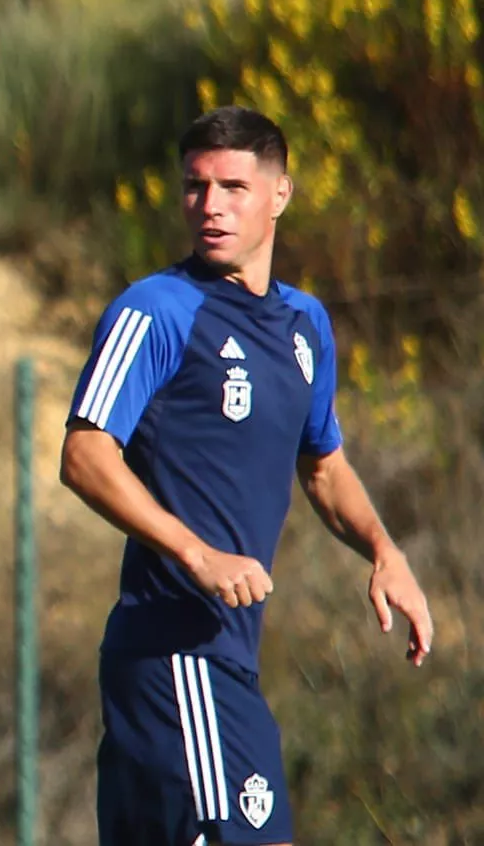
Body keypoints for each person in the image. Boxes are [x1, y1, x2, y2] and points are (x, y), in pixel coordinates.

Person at [58, 105, 435, 846]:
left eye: (233, 186)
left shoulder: (305, 325)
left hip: (222, 657)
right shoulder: (157, 311)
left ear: (279, 195)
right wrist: (195, 553)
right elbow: (84, 455)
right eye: (196, 188)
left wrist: (384, 552)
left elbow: (323, 467)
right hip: (177, 658)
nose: (211, 207)